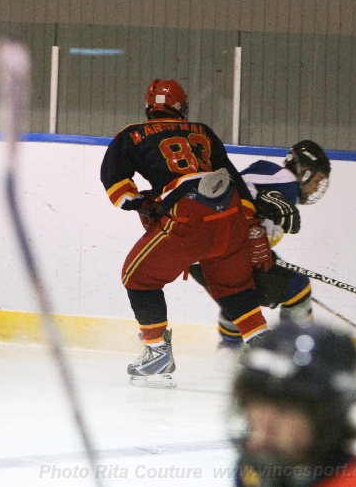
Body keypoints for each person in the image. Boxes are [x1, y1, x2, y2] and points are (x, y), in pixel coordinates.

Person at [100, 79, 272, 388]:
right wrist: (252, 223)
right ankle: (268, 357)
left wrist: (142, 202)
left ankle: (156, 352)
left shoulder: (132, 134)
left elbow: (117, 186)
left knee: (137, 277)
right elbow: (232, 177)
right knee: (234, 288)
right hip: (231, 212)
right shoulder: (202, 131)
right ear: (180, 107)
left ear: (149, 107)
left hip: (189, 214)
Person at [191, 140, 331, 348]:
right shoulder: (286, 181)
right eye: (317, 180)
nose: (316, 188)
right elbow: (235, 186)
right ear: (304, 170)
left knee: (242, 299)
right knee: (297, 287)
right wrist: (258, 199)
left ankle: (229, 351)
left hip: (203, 258)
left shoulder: (275, 180)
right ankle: (296, 351)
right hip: (220, 256)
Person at [232, 321, 356, 487]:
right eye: (255, 403)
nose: (263, 428)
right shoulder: (255, 470)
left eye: (284, 409)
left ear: (327, 416)